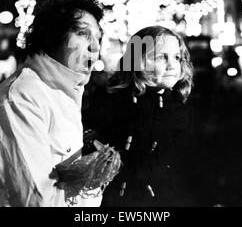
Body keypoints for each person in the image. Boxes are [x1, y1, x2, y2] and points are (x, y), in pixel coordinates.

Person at [0, 0, 108, 207]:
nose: (96, 47)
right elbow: (34, 199)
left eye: (98, 37)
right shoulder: (21, 98)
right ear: (53, 37)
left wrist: (92, 177)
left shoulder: (61, 93)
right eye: (83, 33)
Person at [84, 26, 210, 206]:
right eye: (161, 57)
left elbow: (192, 166)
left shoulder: (180, 110)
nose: (172, 65)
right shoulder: (111, 101)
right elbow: (86, 133)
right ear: (137, 60)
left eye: (177, 57)